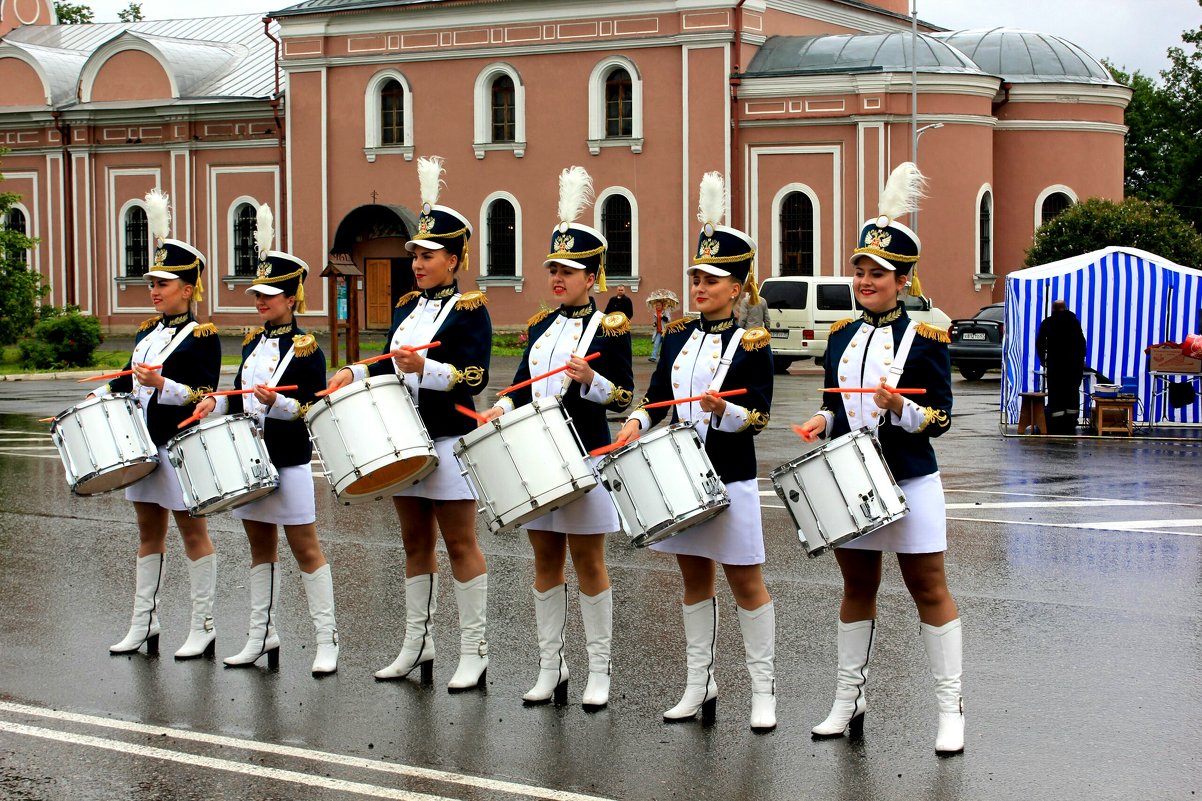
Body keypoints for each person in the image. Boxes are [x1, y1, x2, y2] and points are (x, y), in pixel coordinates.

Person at [796, 162, 964, 756]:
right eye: (860, 270)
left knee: (928, 586)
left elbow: (940, 419)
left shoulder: (926, 338)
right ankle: (847, 700)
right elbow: (833, 404)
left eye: (879, 273)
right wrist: (823, 420)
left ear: (903, 280)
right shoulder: (840, 335)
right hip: (851, 477)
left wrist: (901, 409)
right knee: (856, 585)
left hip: (910, 478)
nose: (866, 280)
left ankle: (950, 709)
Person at [614, 171, 776, 731]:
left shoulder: (751, 341)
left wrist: (720, 411)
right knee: (693, 580)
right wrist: (637, 420)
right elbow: (658, 395)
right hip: (679, 475)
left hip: (729, 475)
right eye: (696, 278)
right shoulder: (679, 336)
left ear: (737, 287)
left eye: (712, 280)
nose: (700, 287)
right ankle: (698, 684)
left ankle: (762, 691)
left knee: (746, 581)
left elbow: (756, 413)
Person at [324, 156, 492, 691]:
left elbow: (474, 374)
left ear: (454, 258)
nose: (417, 263)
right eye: (414, 254)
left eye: (428, 255)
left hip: (449, 436)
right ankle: (417, 643)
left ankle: (475, 650)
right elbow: (388, 358)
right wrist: (354, 369)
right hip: (403, 438)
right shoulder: (405, 307)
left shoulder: (471, 309)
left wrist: (430, 369)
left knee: (460, 544)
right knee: (413, 543)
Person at [478, 166, 634, 709]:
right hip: (536, 457)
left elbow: (622, 398)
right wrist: (500, 404)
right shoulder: (542, 325)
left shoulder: (609, 328)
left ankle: (599, 671)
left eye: (568, 270)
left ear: (592, 276)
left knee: (589, 561)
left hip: (584, 454)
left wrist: (592, 381)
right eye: (553, 269)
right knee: (544, 561)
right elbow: (522, 382)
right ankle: (551, 667)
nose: (557, 278)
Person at [193, 205, 338, 675]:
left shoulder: (307, 347)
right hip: (250, 458)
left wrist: (276, 401)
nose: (261, 301)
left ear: (292, 298)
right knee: (259, 548)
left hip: (290, 456)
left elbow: (310, 406)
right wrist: (215, 403)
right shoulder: (252, 342)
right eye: (258, 294)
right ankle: (261, 634)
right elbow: (237, 396)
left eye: (270, 295)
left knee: (305, 547)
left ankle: (326, 639)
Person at [96, 188, 222, 660]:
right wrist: (99, 393)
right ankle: (143, 624)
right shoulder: (146, 332)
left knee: (193, 533)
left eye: (163, 284)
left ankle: (203, 626)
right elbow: (128, 381)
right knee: (148, 535)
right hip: (143, 447)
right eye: (152, 282)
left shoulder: (203, 336)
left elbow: (204, 393)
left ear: (187, 290)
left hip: (179, 446)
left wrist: (164, 383)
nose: (153, 290)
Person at [1036, 300, 1087, 434]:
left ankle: (1057, 423)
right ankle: (1071, 421)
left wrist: (1042, 359)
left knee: (1056, 394)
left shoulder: (1048, 323)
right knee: (1072, 393)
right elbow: (1082, 343)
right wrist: (1081, 359)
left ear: (1053, 309)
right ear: (1065, 308)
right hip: (1073, 366)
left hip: (1056, 365)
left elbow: (1040, 342)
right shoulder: (1074, 322)